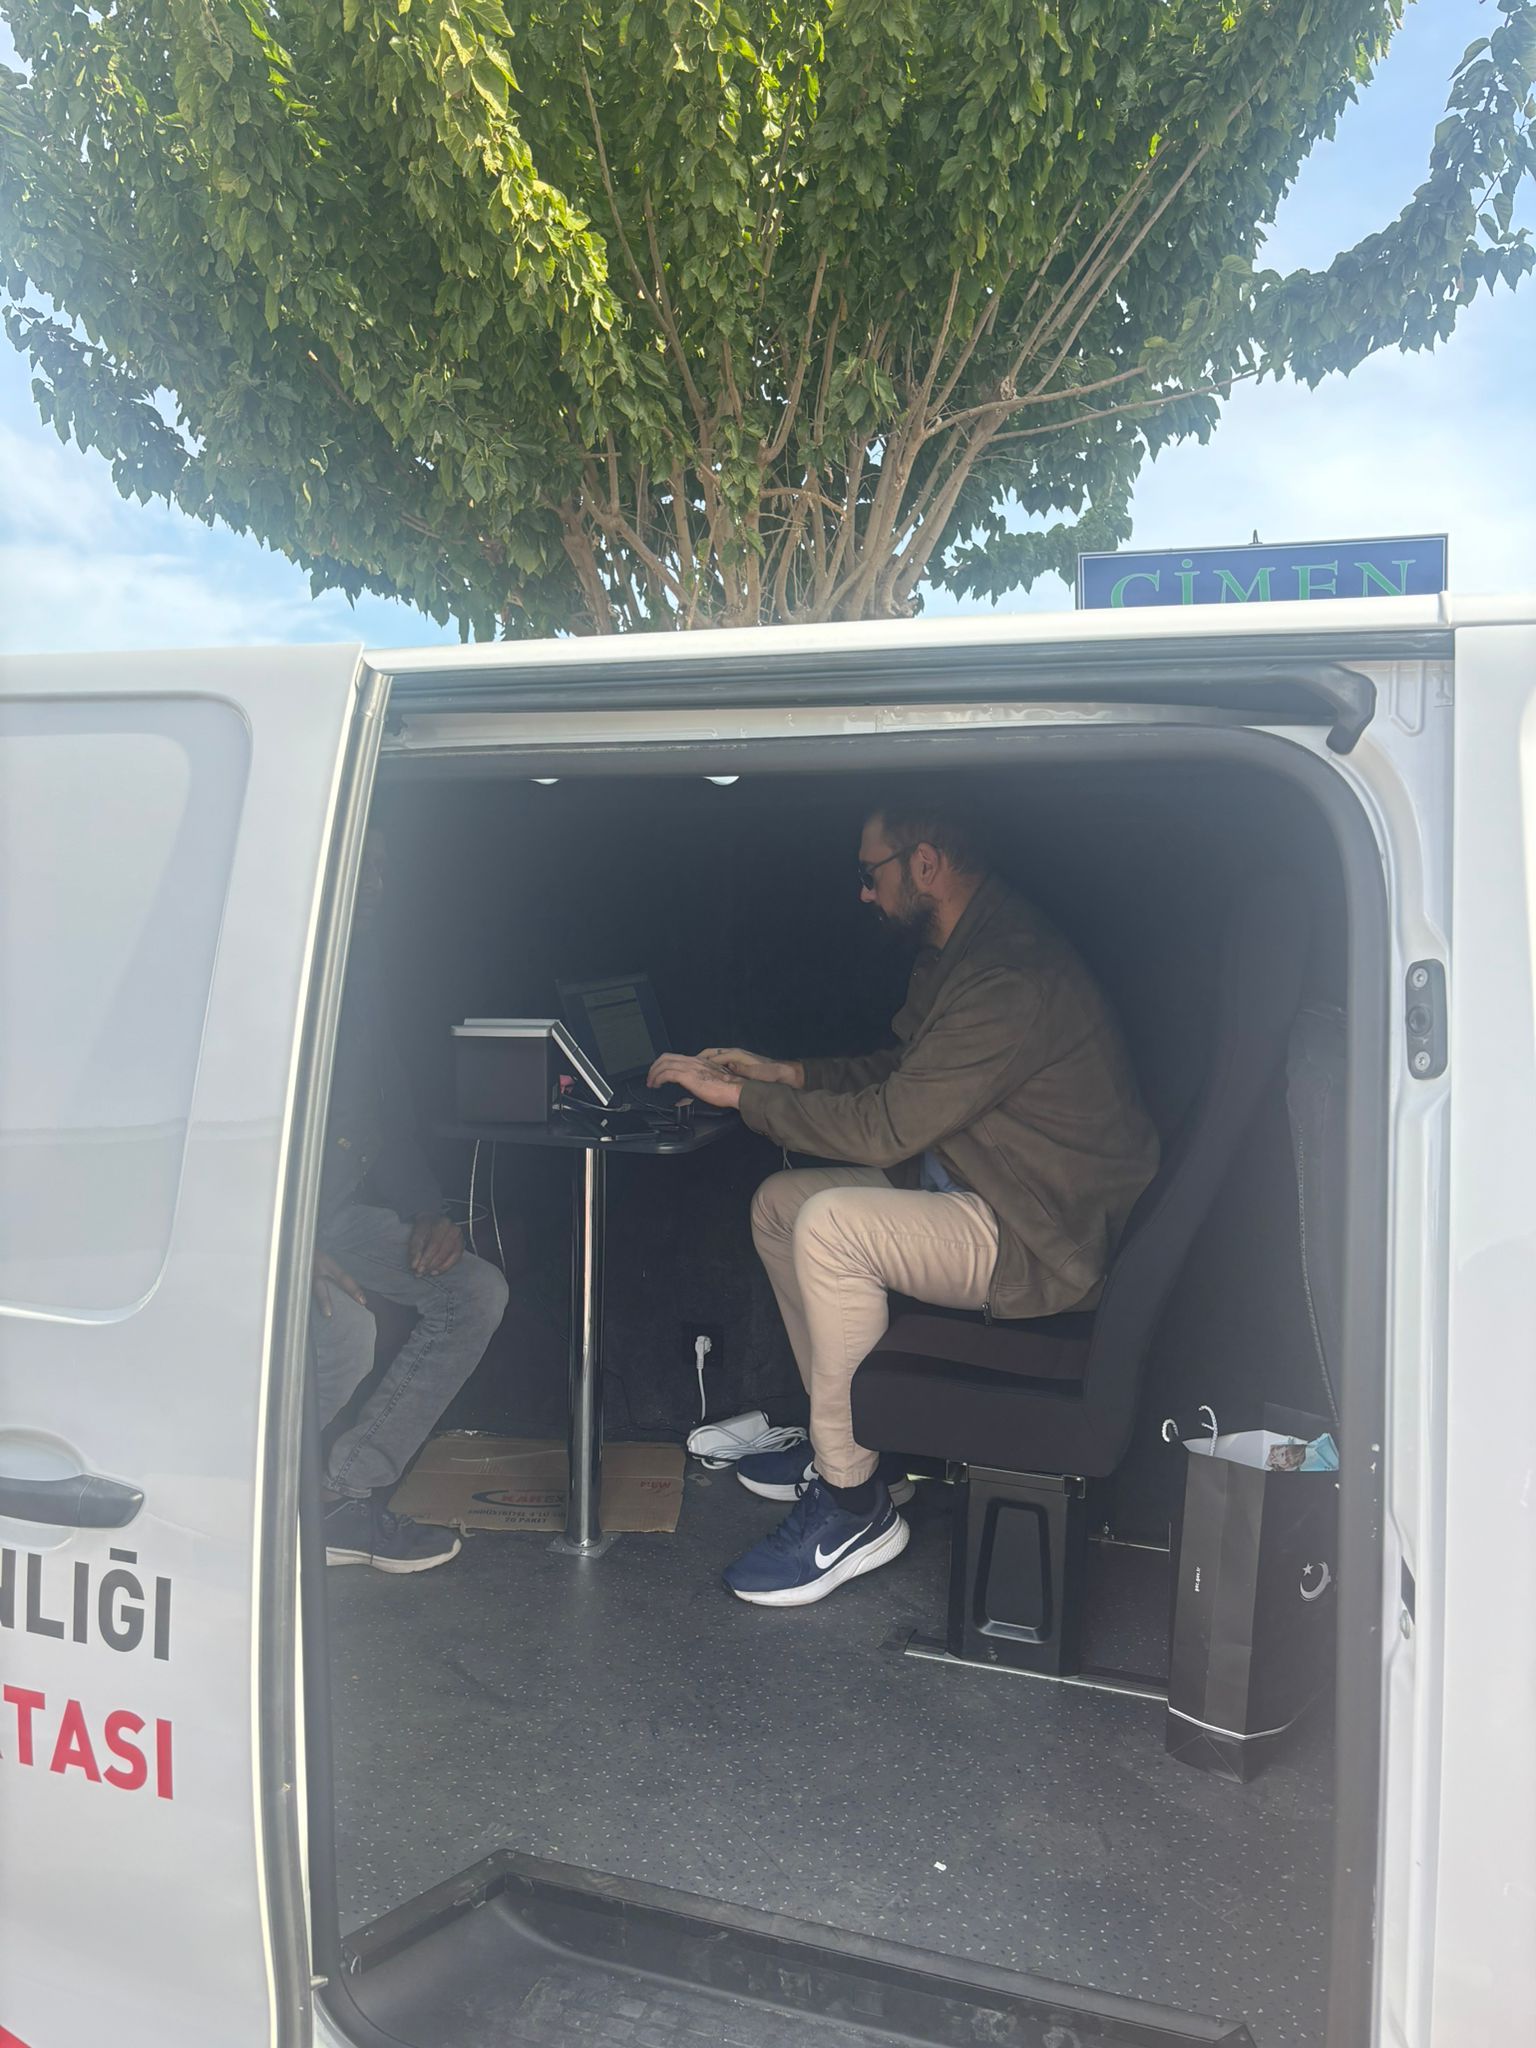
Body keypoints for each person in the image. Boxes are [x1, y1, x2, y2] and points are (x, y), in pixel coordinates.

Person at [648, 792, 1159, 1608]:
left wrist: (739, 1098)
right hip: (978, 1186)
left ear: (924, 864)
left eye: (870, 872)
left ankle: (850, 1504)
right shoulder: (958, 950)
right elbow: (903, 1073)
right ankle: (856, 1449)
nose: (863, 891)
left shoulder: (1008, 977)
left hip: (1036, 1231)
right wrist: (786, 1074)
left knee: (830, 1225)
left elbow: (888, 1126)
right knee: (781, 1205)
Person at [314, 833, 509, 1573]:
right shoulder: (259, 965)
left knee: (473, 1291)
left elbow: (383, 1114)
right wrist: (283, 1250)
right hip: (257, 1225)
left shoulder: (356, 966)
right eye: (358, 864)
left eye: (381, 867)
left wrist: (431, 1209)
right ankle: (237, 1504)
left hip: (331, 1215)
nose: (373, 883)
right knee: (346, 1332)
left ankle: (342, 1498)